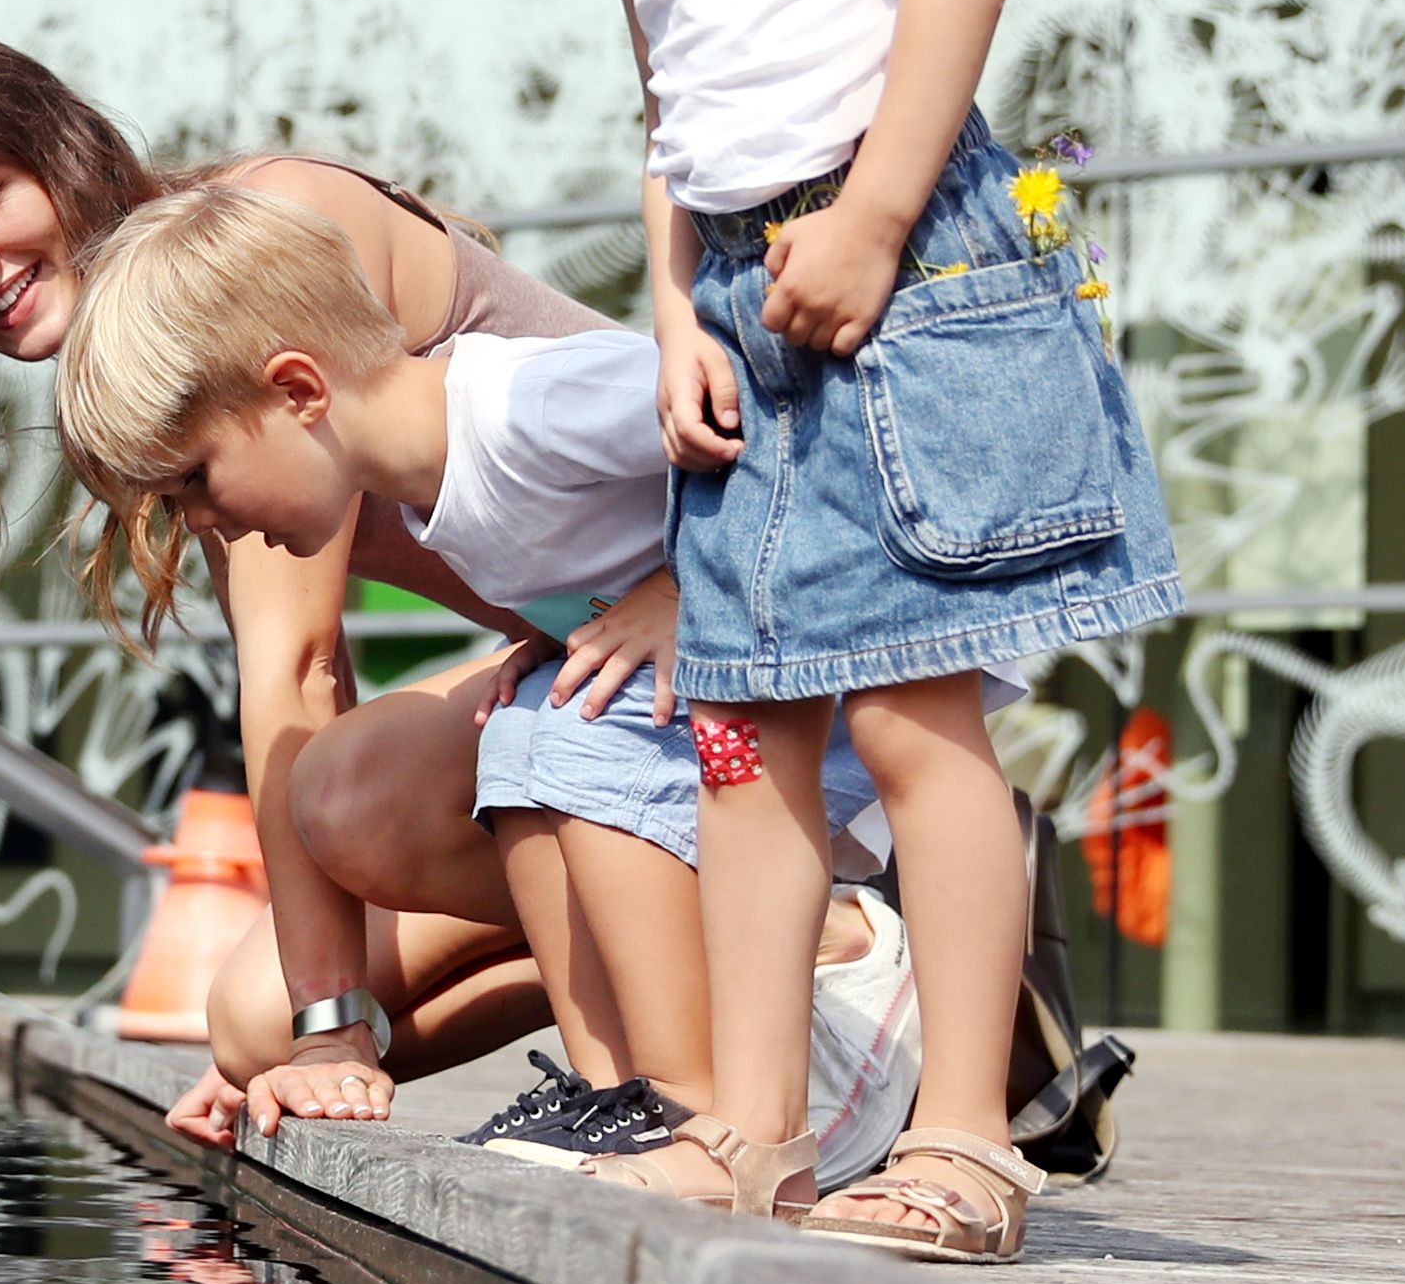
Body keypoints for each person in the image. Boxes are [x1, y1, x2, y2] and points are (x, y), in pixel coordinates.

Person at [319, 0, 1183, 1260]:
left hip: (899, 270)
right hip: (750, 296)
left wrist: (868, 221)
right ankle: (752, 1125)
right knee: (740, 729)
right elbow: (672, 117)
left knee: (915, 715)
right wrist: (672, 307)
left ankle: (967, 1138)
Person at [52, 180, 915, 1202]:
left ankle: (705, 1105)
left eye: (195, 479)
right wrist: (554, 636)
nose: (201, 522)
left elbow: (787, 424)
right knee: (519, 738)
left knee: (570, 744)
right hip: (705, 702)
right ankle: (620, 1093)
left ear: (296, 390)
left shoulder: (525, 408)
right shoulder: (435, 491)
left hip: (816, 684)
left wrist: (680, 590)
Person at [0, 29, 583, 1108]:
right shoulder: (152, 328)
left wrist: (332, 1038)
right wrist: (308, 1035)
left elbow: (296, 668)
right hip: (598, 668)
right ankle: (713, 968)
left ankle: (752, 951)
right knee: (252, 1024)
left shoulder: (247, 248)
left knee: (348, 815)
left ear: (56, 148)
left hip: (721, 645)